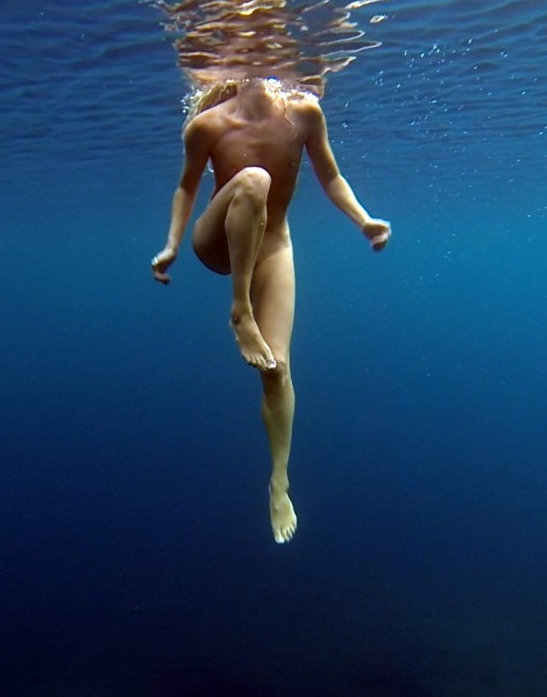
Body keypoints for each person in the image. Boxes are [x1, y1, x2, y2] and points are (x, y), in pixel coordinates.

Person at [150, 76, 391, 543]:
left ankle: (279, 480)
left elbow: (331, 176)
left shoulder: (304, 114)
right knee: (255, 179)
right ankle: (240, 310)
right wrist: (172, 245)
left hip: (272, 246)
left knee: (278, 368)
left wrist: (363, 220)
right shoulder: (207, 125)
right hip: (217, 242)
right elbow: (186, 188)